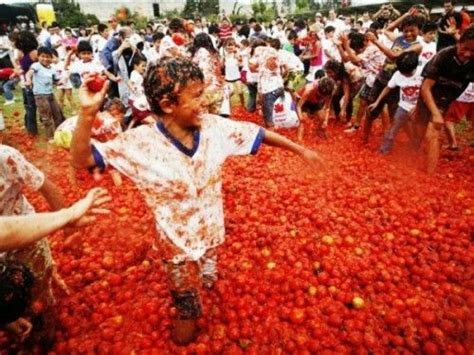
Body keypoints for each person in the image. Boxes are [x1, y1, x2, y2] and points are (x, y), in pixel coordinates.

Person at [70, 58, 324, 346]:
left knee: (207, 270)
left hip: (211, 229)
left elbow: (258, 133)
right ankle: (186, 318)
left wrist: (300, 150)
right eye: (196, 96)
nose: (205, 102)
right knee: (187, 320)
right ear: (168, 105)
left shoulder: (215, 128)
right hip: (175, 244)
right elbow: (83, 161)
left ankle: (206, 271)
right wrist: (87, 113)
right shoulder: (139, 144)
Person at [414, 24, 474, 173]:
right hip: (429, 92)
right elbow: (426, 87)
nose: (468, 54)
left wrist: (439, 113)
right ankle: (414, 154)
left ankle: (429, 175)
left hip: (446, 98)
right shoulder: (444, 55)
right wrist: (433, 112)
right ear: (458, 42)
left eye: (473, 51)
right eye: (465, 48)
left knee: (433, 132)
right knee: (420, 132)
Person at [363, 10, 423, 143]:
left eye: (412, 30)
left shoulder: (417, 46)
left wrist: (375, 41)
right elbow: (387, 30)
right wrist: (406, 15)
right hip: (381, 79)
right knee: (371, 110)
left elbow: (394, 56)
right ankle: (364, 139)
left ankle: (414, 142)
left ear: (419, 30)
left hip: (397, 85)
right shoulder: (399, 38)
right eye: (406, 31)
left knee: (397, 116)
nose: (408, 34)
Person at [368, 51, 422, 154]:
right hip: (403, 106)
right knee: (393, 129)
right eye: (402, 72)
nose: (404, 74)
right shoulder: (398, 74)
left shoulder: (422, 73)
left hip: (420, 107)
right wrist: (377, 102)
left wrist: (418, 107)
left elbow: (428, 91)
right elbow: (387, 88)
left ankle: (416, 149)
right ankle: (384, 150)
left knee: (420, 130)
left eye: (406, 73)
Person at [25, 46, 64, 139]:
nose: (45, 59)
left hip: (50, 95)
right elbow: (29, 73)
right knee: (47, 117)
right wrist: (28, 80)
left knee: (57, 114)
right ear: (38, 57)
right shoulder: (36, 66)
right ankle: (50, 137)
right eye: (43, 56)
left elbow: (55, 81)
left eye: (48, 57)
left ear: (51, 58)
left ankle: (60, 134)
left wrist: (60, 81)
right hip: (40, 95)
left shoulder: (52, 69)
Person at [12, 31, 38, 135]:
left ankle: (30, 129)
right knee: (32, 107)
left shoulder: (21, 53)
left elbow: (21, 67)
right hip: (33, 84)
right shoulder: (34, 52)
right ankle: (31, 131)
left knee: (29, 107)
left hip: (26, 84)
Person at [191, 33, 224, 114]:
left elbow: (204, 71)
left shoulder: (202, 52)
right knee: (216, 117)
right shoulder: (213, 52)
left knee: (205, 119)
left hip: (207, 88)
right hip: (217, 87)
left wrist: (200, 88)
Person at [296, 76, 336, 141]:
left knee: (322, 117)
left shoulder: (330, 93)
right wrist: (300, 118)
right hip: (305, 102)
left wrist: (325, 121)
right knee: (303, 119)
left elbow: (327, 108)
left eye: (323, 96)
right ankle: (299, 140)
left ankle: (319, 131)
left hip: (316, 103)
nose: (322, 97)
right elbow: (298, 106)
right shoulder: (309, 89)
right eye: (320, 95)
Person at [127, 56, 153, 127]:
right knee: (139, 115)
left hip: (136, 99)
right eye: (142, 66)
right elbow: (130, 82)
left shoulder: (139, 75)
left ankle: (128, 129)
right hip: (135, 100)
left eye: (145, 66)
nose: (144, 68)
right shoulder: (135, 73)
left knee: (135, 118)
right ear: (135, 66)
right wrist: (132, 87)